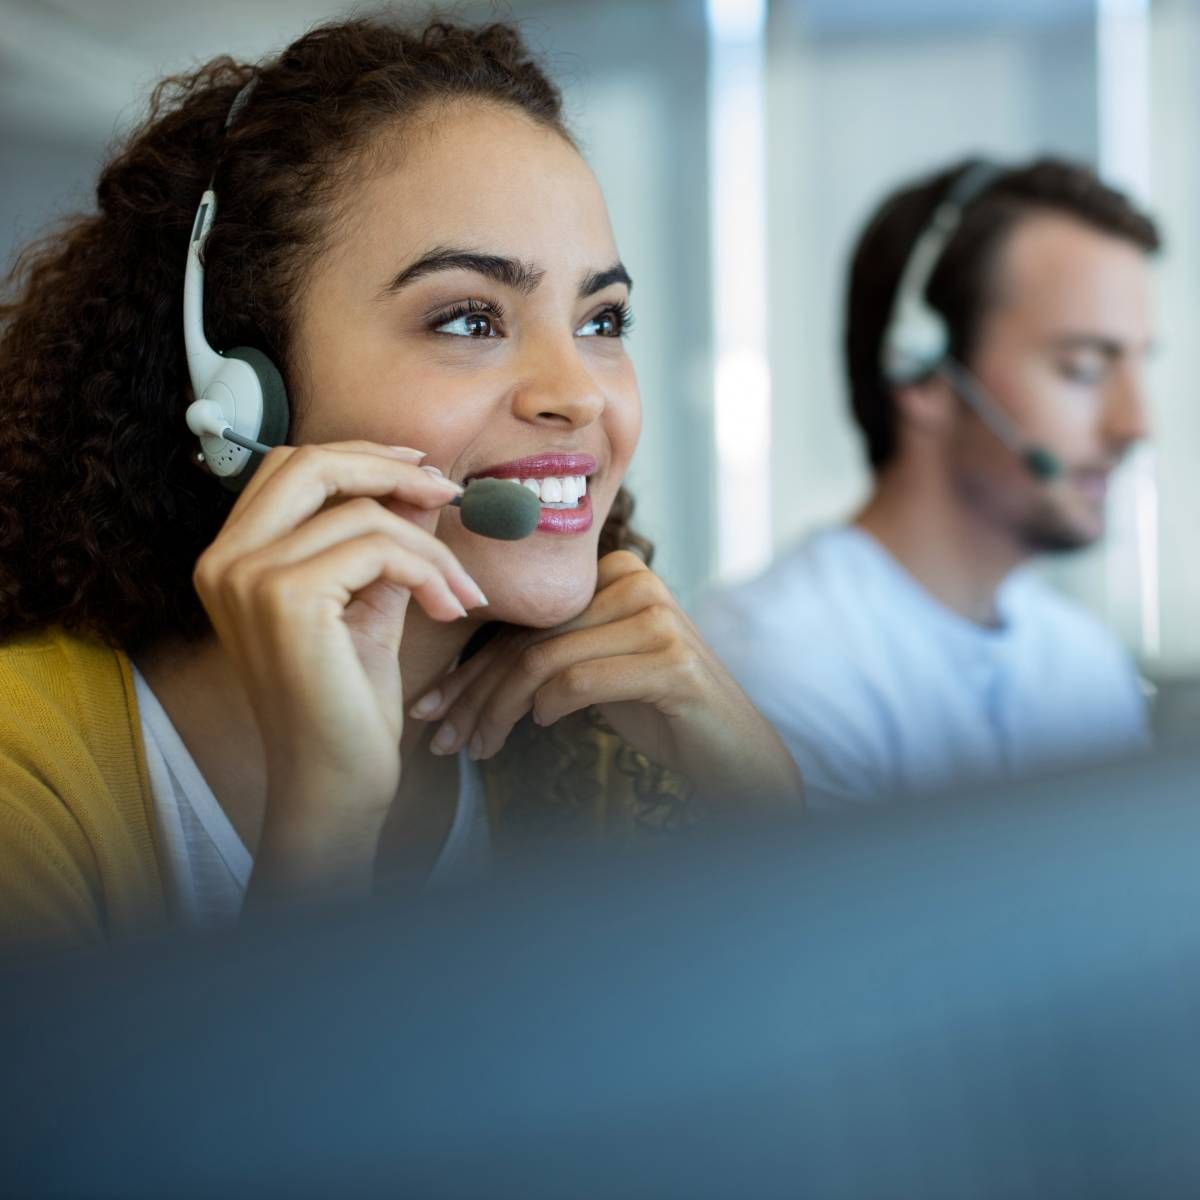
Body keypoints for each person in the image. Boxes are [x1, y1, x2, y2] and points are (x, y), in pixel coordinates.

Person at [0, 16, 802, 950]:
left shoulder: (596, 750)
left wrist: (762, 799)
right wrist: (328, 822)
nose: (578, 393)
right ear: (243, 389)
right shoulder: (27, 779)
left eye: (601, 318)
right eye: (468, 320)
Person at [698, 157, 1158, 804]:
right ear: (923, 375)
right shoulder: (776, 663)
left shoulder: (1086, 664)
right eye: (1082, 368)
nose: (1135, 425)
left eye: (1138, 365)